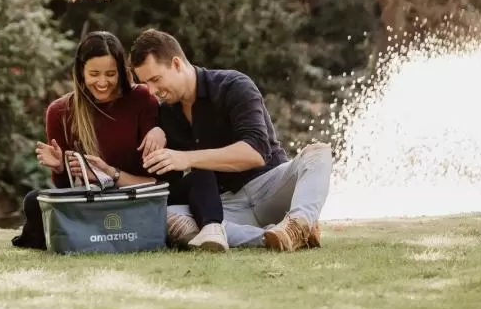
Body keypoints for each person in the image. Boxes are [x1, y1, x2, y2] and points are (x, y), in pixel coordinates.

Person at [11, 30, 229, 252]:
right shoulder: (59, 111)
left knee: (201, 171)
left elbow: (160, 182)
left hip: (143, 195)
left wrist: (114, 173)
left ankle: (210, 231)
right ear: (80, 73)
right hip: (97, 201)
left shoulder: (142, 99)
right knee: (34, 200)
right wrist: (61, 167)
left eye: (111, 73)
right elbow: (68, 191)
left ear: (122, 73)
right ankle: (162, 229)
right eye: (94, 73)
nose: (103, 82)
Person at [130, 28, 333, 252]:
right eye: (145, 83)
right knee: (170, 216)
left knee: (318, 153)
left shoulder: (233, 86)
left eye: (156, 79)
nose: (152, 90)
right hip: (227, 204)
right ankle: (271, 237)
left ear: (177, 64)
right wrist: (156, 130)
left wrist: (186, 158)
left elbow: (255, 152)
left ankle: (298, 223)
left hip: (269, 188)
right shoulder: (167, 114)